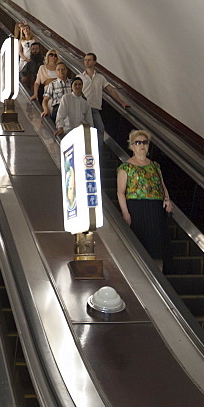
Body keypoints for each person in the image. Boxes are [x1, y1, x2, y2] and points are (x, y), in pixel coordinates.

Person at [116, 129, 172, 271]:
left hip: (155, 210)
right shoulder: (126, 167)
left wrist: (168, 200)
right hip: (136, 209)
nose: (142, 145)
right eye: (138, 142)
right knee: (140, 247)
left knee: (157, 248)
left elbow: (162, 185)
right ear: (132, 146)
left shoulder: (155, 166)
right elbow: (120, 192)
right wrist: (125, 212)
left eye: (145, 142)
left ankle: (159, 279)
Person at [80, 52, 130, 144]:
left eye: (89, 60)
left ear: (94, 62)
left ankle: (98, 154)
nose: (86, 62)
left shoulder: (100, 78)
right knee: (85, 132)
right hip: (83, 109)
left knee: (100, 129)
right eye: (85, 60)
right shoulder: (80, 77)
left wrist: (121, 102)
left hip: (95, 109)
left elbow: (110, 90)